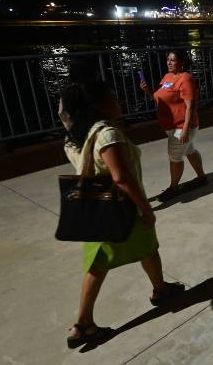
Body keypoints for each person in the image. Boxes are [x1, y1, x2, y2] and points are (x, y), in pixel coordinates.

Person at [59, 81, 184, 349]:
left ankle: (159, 289)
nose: (119, 103)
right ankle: (84, 323)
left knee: (109, 262)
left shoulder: (76, 136)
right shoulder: (106, 135)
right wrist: (146, 209)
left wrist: (69, 103)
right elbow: (121, 177)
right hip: (120, 209)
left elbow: (64, 113)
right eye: (113, 99)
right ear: (98, 106)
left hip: (95, 210)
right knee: (144, 249)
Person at [139, 49, 206, 201]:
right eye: (168, 59)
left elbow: (190, 106)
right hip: (171, 125)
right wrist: (148, 91)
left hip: (181, 126)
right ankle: (201, 178)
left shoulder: (186, 79)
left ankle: (173, 188)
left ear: (181, 63)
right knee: (189, 150)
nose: (169, 62)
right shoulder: (167, 76)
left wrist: (184, 130)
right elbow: (159, 98)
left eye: (173, 60)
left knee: (175, 157)